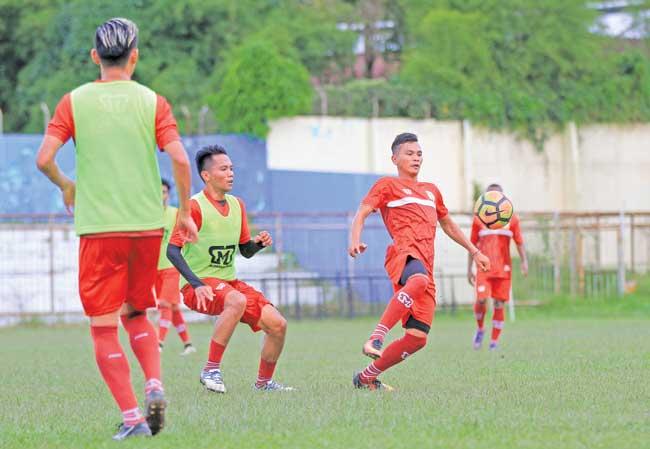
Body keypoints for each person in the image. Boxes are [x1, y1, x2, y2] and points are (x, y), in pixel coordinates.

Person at [35, 18, 197, 440]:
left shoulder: (74, 101)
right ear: (135, 57)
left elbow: (43, 158)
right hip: (145, 229)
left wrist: (66, 185)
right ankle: (155, 384)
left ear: (95, 57)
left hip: (99, 229)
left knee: (104, 327)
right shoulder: (152, 101)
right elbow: (180, 159)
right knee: (138, 312)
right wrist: (180, 212)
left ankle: (132, 418)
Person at [348, 132, 490, 390]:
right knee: (418, 280)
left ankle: (366, 377)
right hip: (403, 253)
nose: (416, 158)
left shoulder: (431, 191)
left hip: (426, 264)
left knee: (417, 338)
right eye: (409, 153)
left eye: (419, 153)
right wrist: (354, 239)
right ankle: (376, 338)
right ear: (395, 158)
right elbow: (363, 212)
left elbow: (447, 224)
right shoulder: (387, 185)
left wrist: (475, 251)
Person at [167, 145, 294, 393]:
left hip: (229, 284)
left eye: (232, 168)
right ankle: (211, 369)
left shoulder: (237, 205)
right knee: (235, 301)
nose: (231, 174)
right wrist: (197, 284)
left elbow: (244, 250)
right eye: (224, 169)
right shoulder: (194, 207)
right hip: (199, 284)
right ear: (206, 175)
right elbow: (172, 250)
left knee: (278, 325)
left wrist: (257, 244)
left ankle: (264, 384)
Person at [468, 184, 528, 350]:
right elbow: (471, 245)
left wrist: (524, 261)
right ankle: (480, 329)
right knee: (481, 300)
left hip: (503, 269)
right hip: (483, 268)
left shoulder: (512, 219)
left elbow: (519, 242)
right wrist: (469, 269)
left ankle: (494, 342)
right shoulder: (478, 220)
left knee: (499, 305)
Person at [156, 179, 196, 355]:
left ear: (168, 194)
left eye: (164, 192)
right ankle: (188, 345)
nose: (161, 195)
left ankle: (159, 343)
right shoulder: (147, 215)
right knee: (172, 307)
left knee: (164, 304)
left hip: (172, 267)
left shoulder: (175, 214)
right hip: (153, 269)